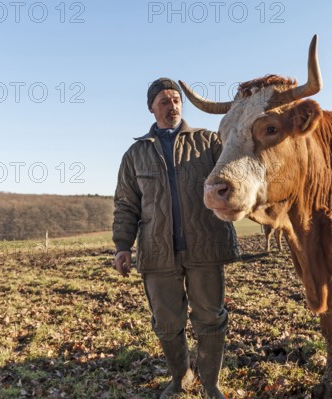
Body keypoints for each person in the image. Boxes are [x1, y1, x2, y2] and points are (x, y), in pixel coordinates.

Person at [112, 78, 239, 399]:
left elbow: (235, 177)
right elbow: (126, 204)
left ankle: (210, 383)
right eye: (165, 101)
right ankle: (181, 376)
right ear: (151, 107)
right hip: (157, 252)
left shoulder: (209, 143)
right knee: (167, 324)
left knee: (210, 319)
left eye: (176, 100)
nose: (172, 106)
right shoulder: (136, 154)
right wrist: (123, 247)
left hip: (205, 247)